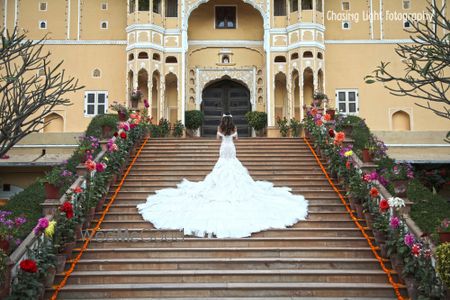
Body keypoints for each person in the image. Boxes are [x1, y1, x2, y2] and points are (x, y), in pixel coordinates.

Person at [137, 113, 308, 238]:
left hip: (223, 149)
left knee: (221, 167)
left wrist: (222, 133)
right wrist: (233, 135)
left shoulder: (220, 128)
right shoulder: (234, 129)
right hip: (231, 149)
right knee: (233, 165)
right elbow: (237, 139)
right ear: (232, 121)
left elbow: (217, 138)